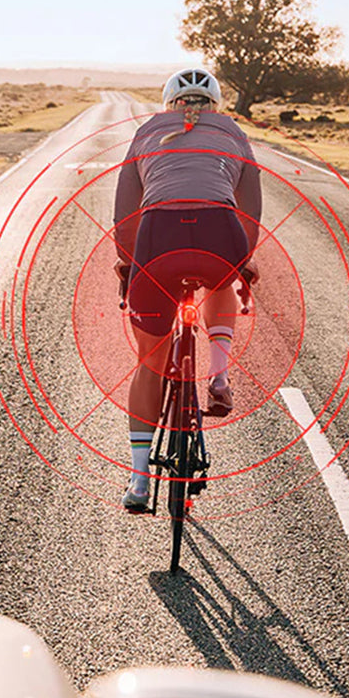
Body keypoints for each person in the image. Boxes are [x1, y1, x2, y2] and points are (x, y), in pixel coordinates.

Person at [112, 67, 262, 511]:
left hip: (158, 239)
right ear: (216, 105)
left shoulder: (146, 132)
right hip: (220, 233)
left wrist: (128, 264)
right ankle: (218, 373)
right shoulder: (233, 132)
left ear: (167, 104)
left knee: (150, 363)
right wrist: (243, 262)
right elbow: (250, 211)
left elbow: (125, 217)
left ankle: (139, 484)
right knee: (219, 280)